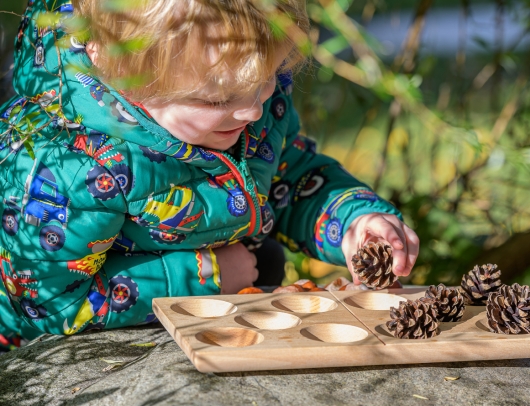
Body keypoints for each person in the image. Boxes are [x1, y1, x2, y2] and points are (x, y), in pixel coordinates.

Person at [0, 0, 419, 352]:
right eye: (218, 97)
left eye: (267, 78)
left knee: (266, 262)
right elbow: (51, 307)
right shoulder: (72, 168)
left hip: (226, 285)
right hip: (67, 344)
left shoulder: (240, 111)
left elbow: (290, 179)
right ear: (125, 75)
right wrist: (205, 276)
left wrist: (353, 221)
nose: (252, 110)